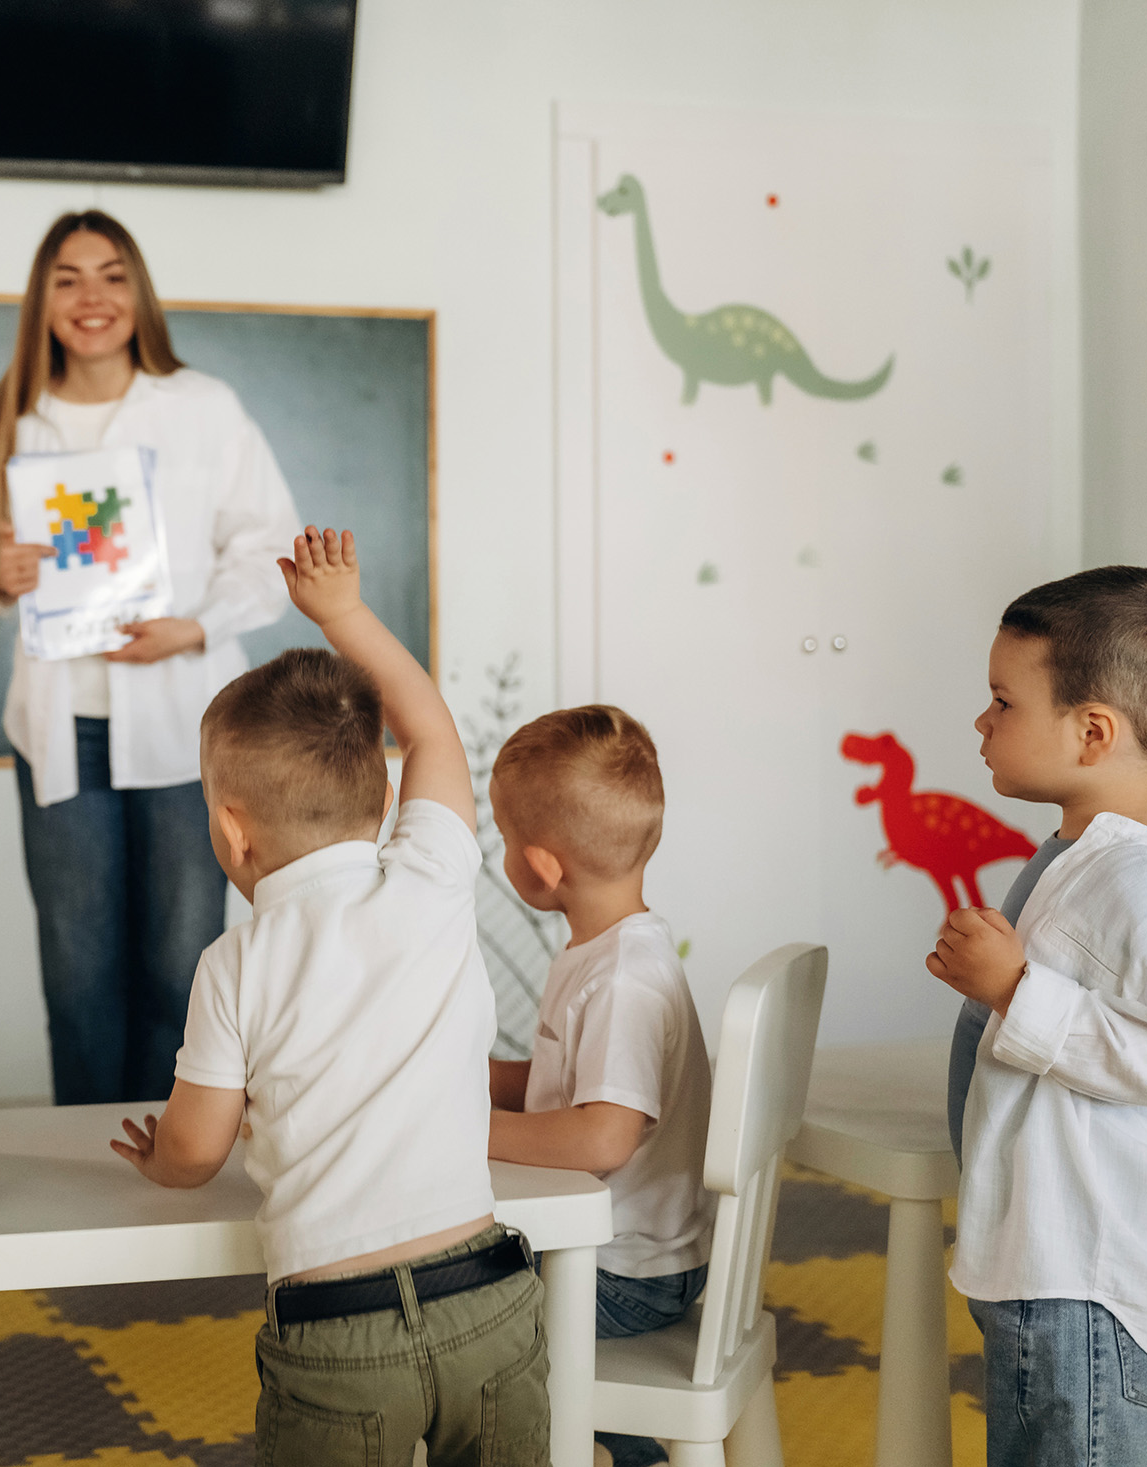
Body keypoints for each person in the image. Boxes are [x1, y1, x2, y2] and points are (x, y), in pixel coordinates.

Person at [112, 528, 545, 1466]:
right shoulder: (431, 876)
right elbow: (432, 730)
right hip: (491, 1298)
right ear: (387, 798)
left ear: (232, 831)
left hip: (339, 1334)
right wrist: (341, 612)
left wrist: (162, 1161)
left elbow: (197, 1149)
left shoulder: (234, 963)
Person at [0, 209, 300, 1105]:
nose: (90, 297)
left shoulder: (203, 408)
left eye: (111, 275)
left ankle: (178, 1155)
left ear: (140, 294)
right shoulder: (14, 420)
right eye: (67, 279)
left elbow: (271, 547)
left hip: (187, 728)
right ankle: (92, 1160)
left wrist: (196, 626)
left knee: (182, 967)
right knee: (77, 977)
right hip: (62, 732)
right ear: (42, 299)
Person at [931, 567, 1147, 1467]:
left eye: (1003, 702)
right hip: (1082, 1272)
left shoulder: (1140, 884)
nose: (982, 721)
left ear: (1093, 730)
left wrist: (1013, 989)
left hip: (1090, 1286)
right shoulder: (1088, 855)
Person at [483, 706, 712, 1467]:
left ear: (542, 866)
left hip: (623, 1276)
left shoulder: (623, 978)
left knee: (446, 1308)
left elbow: (602, 1136)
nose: (502, 853)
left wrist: (465, 1129)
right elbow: (569, 1090)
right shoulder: (607, 950)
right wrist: (471, 1079)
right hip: (625, 1259)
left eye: (504, 838)